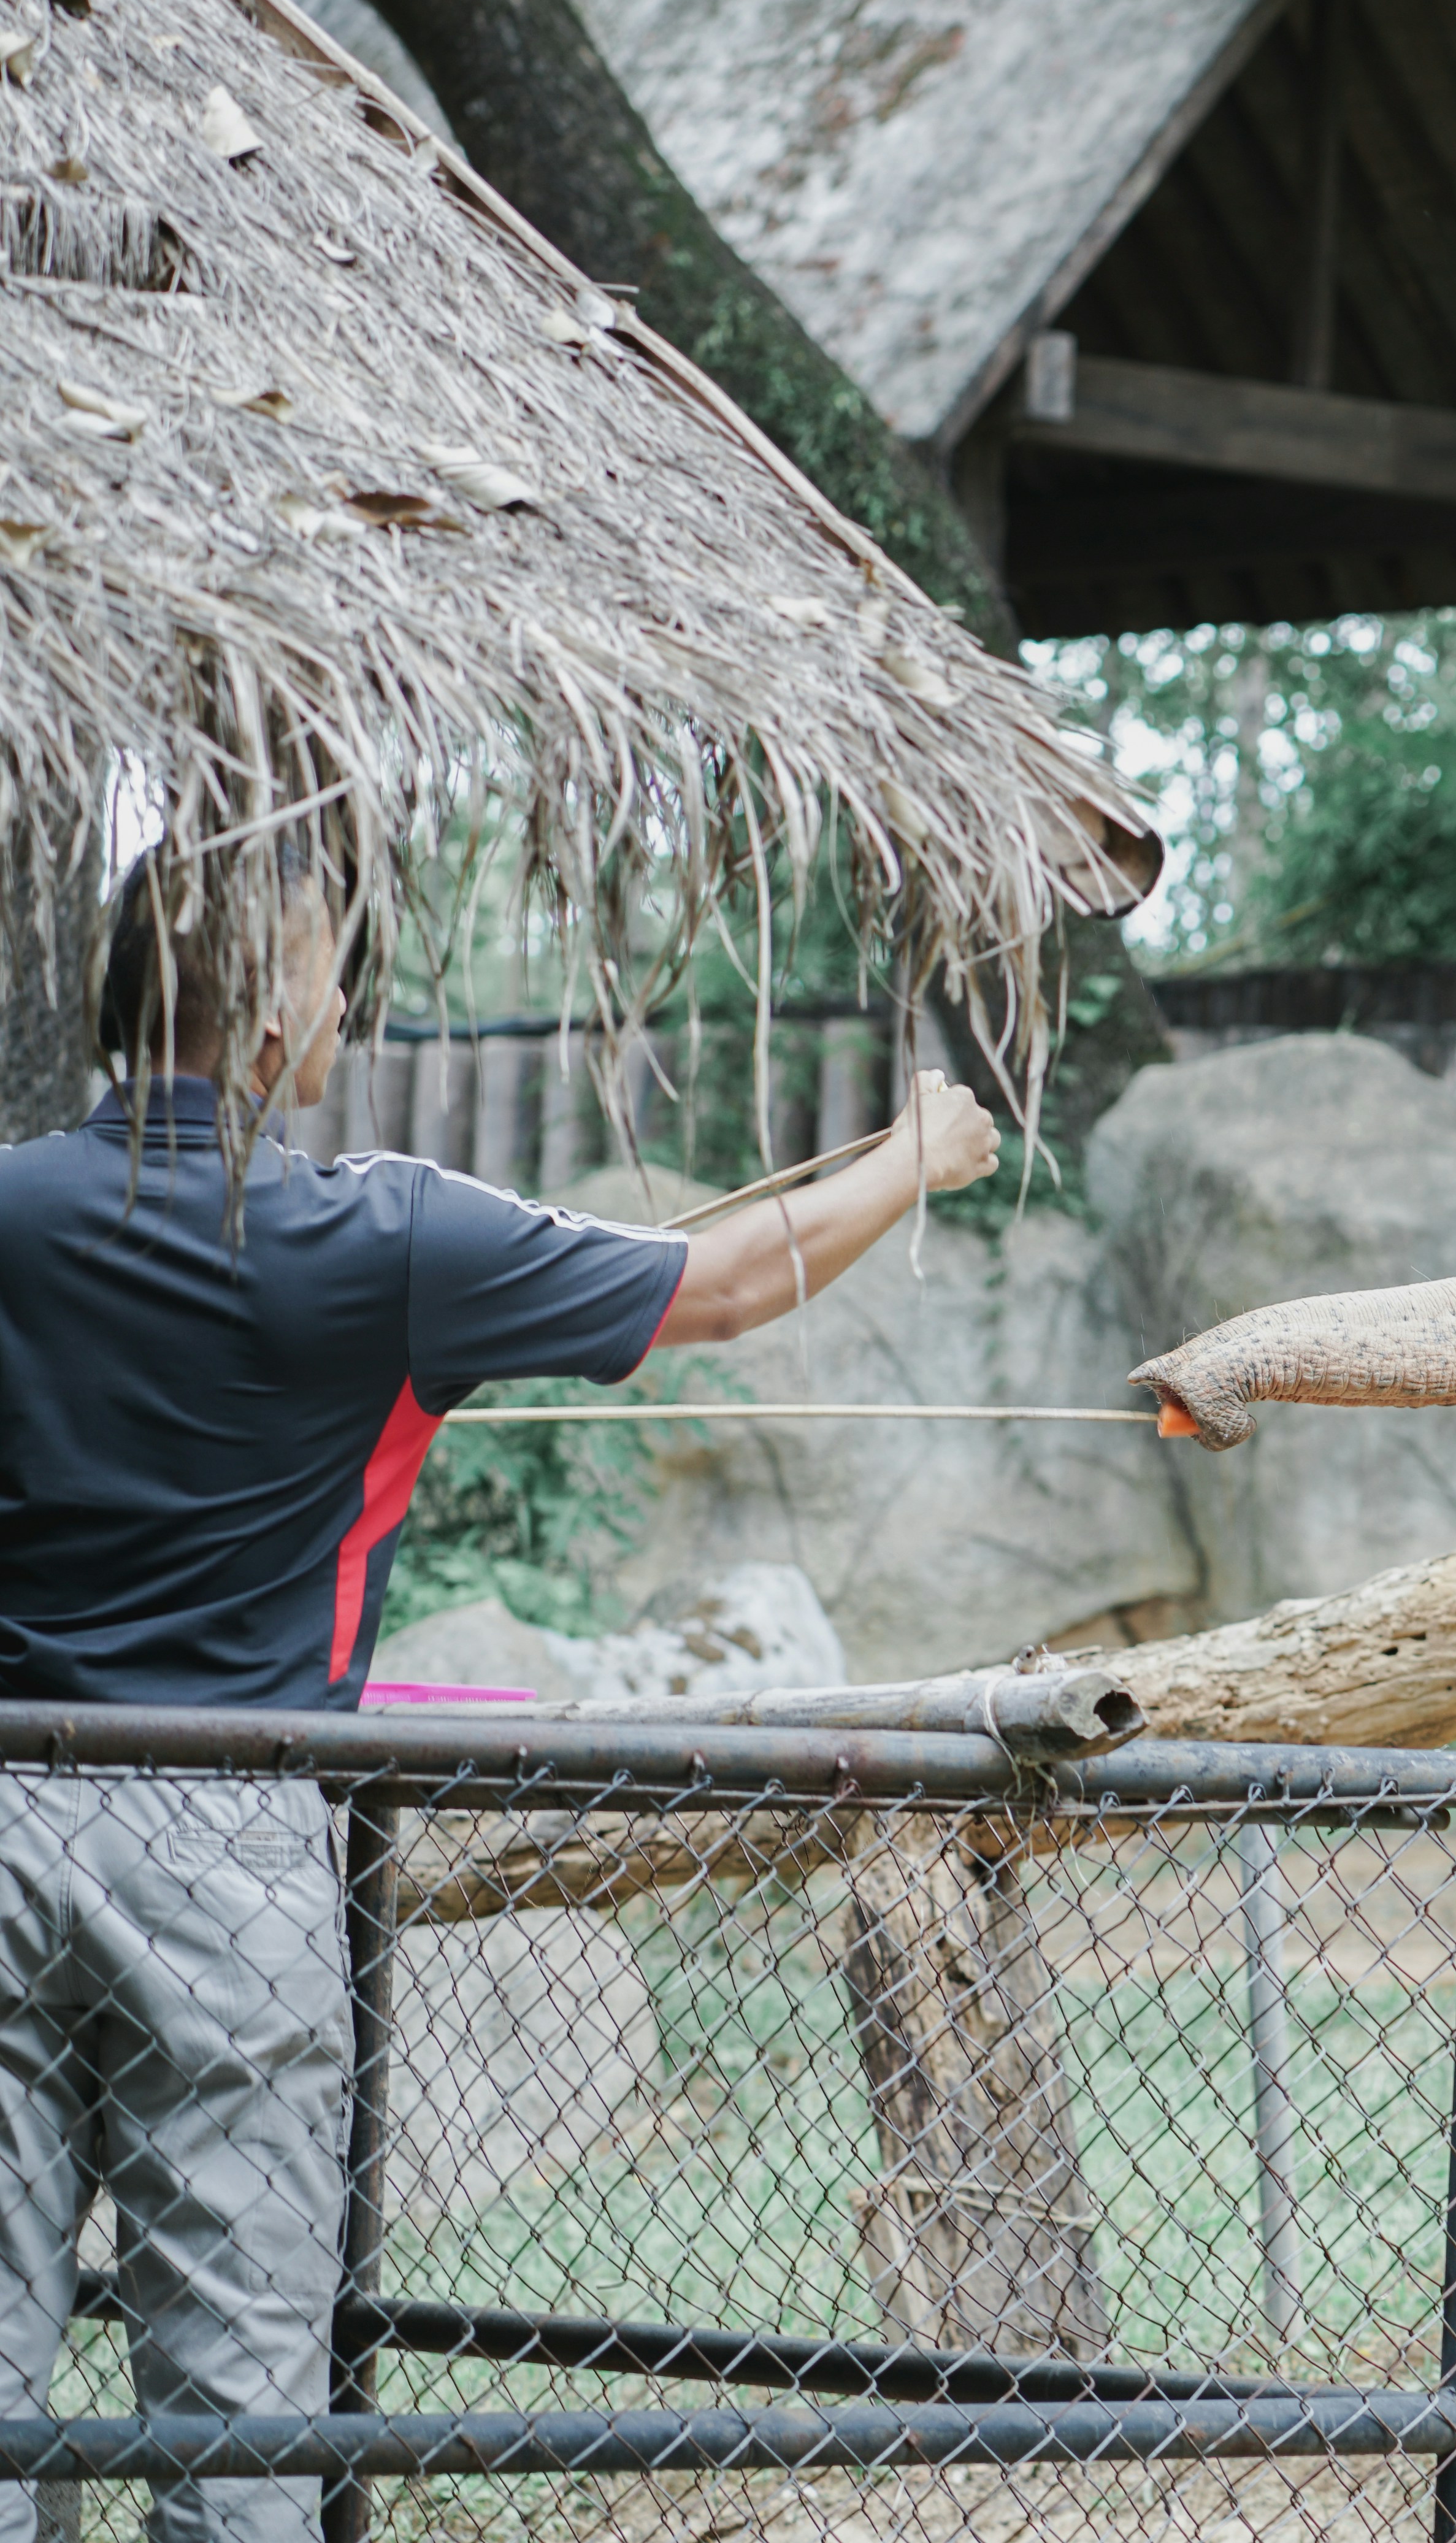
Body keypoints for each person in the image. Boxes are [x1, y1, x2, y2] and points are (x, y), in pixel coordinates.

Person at [0, 851, 998, 2539]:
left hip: (4, 1804)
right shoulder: (386, 1233)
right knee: (239, 2405)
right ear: (264, 1018)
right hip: (233, 1843)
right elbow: (733, 1283)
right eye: (329, 976)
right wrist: (921, 1152)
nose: (346, 1007)